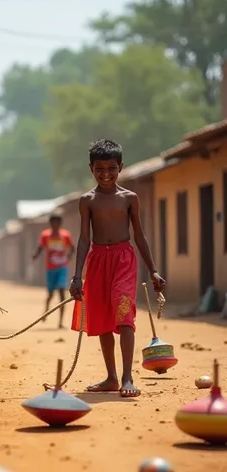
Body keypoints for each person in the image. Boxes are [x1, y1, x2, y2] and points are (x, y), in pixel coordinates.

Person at [69, 139, 165, 398]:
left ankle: (127, 377)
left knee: (124, 315)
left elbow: (140, 236)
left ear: (120, 167)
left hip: (124, 260)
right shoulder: (87, 200)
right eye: (100, 169)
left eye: (111, 168)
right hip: (98, 261)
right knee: (101, 319)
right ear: (91, 168)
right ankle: (111, 377)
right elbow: (83, 240)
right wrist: (77, 276)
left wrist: (153, 270)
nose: (106, 174)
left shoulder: (129, 198)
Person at [33, 213, 74, 328]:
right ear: (50, 223)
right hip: (50, 269)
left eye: (57, 223)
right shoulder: (45, 235)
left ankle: (60, 322)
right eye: (53, 223)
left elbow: (72, 247)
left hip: (62, 268)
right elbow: (40, 247)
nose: (55, 225)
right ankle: (46, 309)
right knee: (50, 293)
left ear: (60, 224)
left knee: (62, 292)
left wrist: (68, 258)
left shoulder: (65, 235)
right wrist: (35, 255)